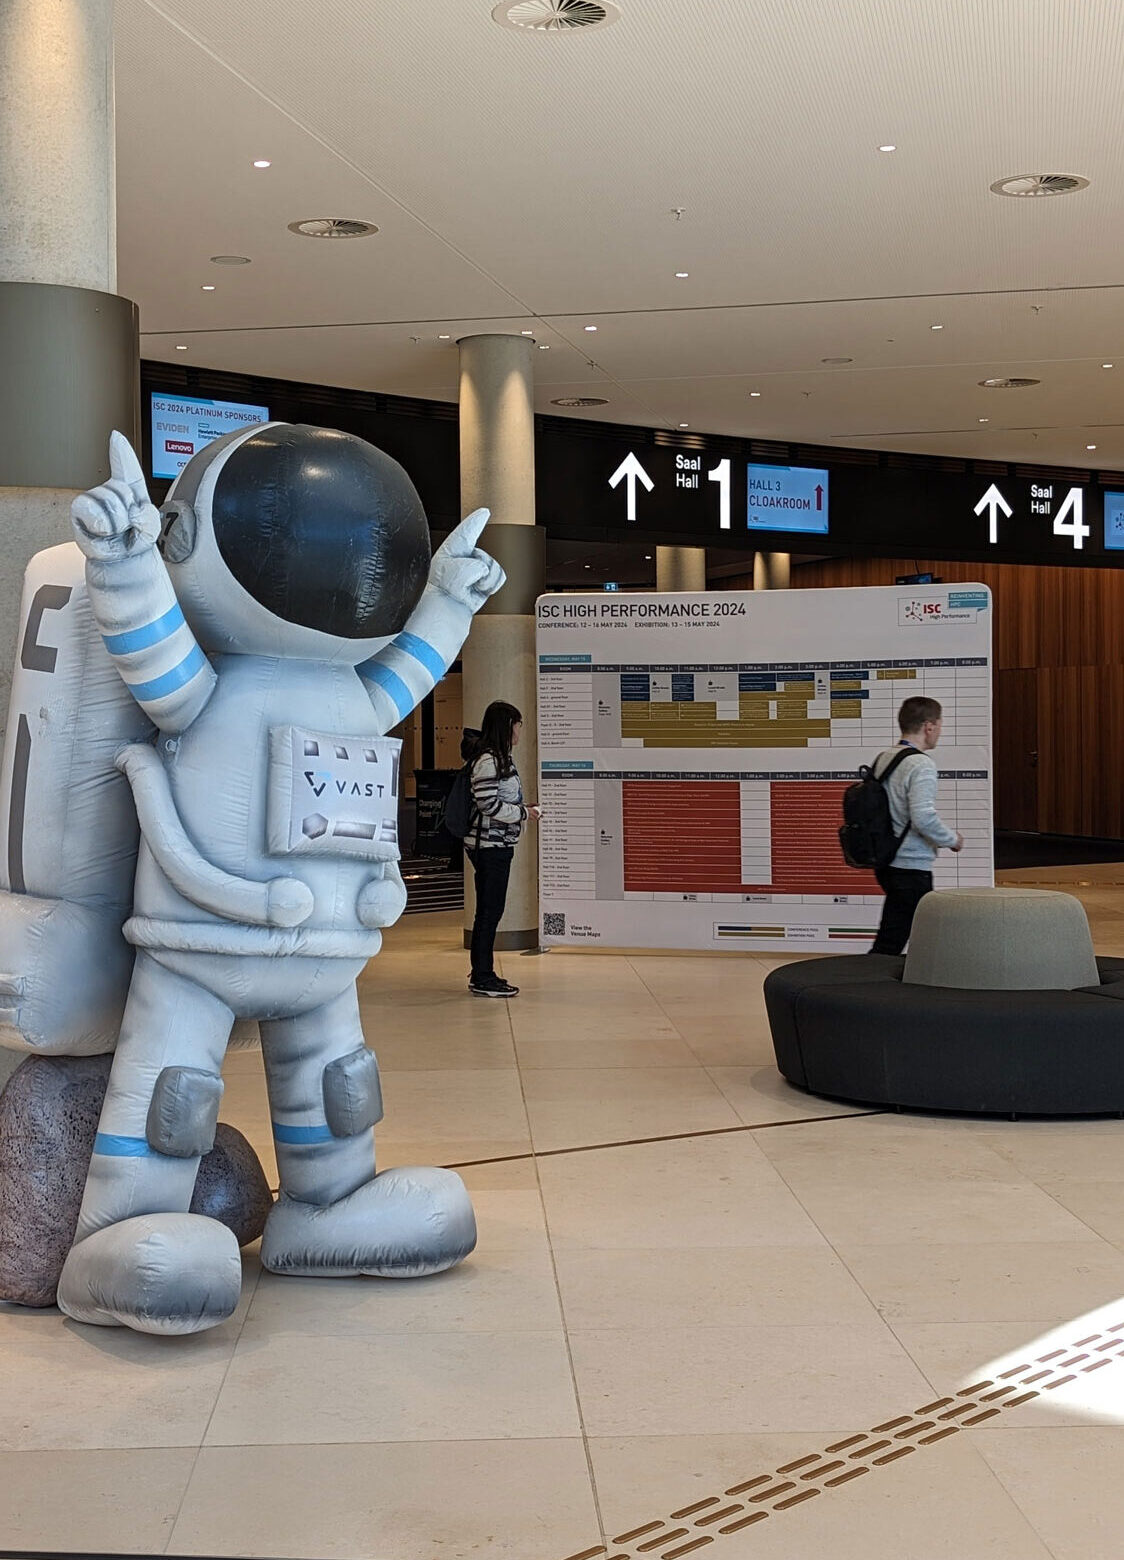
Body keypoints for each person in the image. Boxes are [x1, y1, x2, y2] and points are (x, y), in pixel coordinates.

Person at [870, 695, 964, 956]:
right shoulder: (921, 764)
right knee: (891, 943)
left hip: (887, 862)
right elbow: (923, 817)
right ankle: (867, 989)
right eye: (940, 726)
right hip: (910, 866)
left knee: (900, 933)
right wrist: (952, 839)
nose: (939, 733)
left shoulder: (885, 758)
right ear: (929, 726)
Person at [465, 701, 541, 997]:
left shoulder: (498, 758)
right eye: (518, 725)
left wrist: (523, 809)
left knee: (490, 910)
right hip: (489, 846)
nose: (520, 731)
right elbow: (488, 805)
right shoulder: (488, 760)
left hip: (497, 844)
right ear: (508, 725)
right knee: (489, 911)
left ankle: (482, 972)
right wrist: (524, 812)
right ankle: (482, 976)